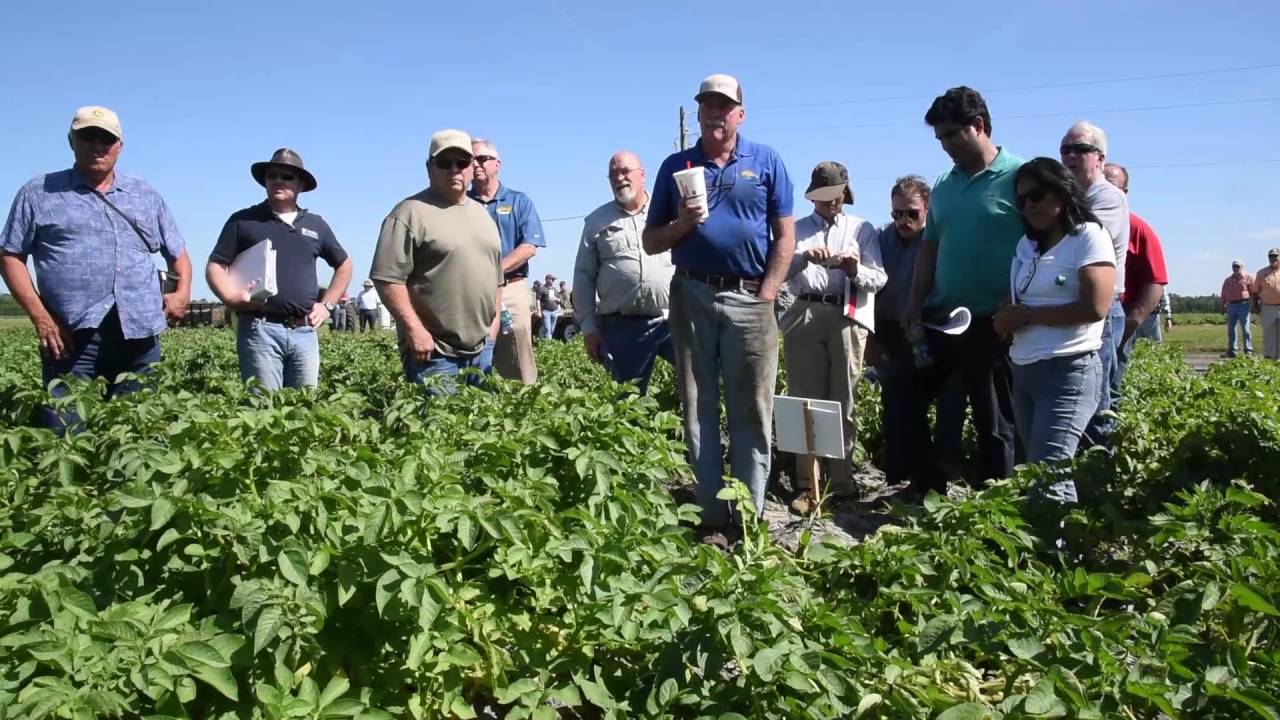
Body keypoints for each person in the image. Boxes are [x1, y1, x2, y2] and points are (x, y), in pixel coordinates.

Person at [644, 73, 796, 546]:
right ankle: (712, 516)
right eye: (708, 105)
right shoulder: (677, 165)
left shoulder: (766, 161)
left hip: (751, 298)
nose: (715, 113)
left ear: (740, 115)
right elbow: (651, 241)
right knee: (698, 405)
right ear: (698, 113)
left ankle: (748, 519)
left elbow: (785, 234)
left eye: (724, 106)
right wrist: (682, 223)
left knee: (752, 408)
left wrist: (768, 292)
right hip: (692, 294)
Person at [0, 106, 192, 434]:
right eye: (88, 137)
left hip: (139, 334)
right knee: (66, 433)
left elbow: (179, 254)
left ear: (120, 146)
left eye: (106, 139)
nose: (97, 146)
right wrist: (41, 317)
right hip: (71, 336)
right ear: (71, 141)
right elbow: (10, 256)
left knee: (135, 433)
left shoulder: (144, 194)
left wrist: (182, 293)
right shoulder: (39, 192)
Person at [905, 86, 1025, 484]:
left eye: (951, 135)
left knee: (995, 419)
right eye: (939, 138)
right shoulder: (945, 184)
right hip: (945, 319)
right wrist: (914, 302)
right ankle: (927, 487)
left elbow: (1040, 246)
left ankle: (998, 498)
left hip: (995, 322)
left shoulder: (1019, 177)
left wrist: (1016, 302)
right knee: (916, 401)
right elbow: (929, 249)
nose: (945, 145)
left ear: (978, 125)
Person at [994, 158, 1113, 503]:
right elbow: (1017, 297)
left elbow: (1094, 307)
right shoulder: (1027, 245)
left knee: (1049, 476)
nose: (1029, 205)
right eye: (1022, 200)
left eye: (1037, 195)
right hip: (1024, 369)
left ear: (1062, 192)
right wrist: (1004, 317)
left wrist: (1028, 317)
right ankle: (1056, 532)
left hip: (1067, 369)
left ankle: (1056, 538)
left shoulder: (1088, 236)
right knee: (1038, 471)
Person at [781, 161, 885, 511]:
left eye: (836, 196)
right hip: (805, 312)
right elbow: (779, 272)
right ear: (813, 197)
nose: (831, 202)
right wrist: (804, 258)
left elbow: (878, 278)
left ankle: (841, 483)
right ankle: (807, 485)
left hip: (846, 314)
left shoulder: (862, 229)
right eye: (824, 196)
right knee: (804, 402)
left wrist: (855, 269)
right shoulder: (796, 230)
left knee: (844, 400)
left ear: (845, 193)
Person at [208, 148, 352, 391]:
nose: (278, 180)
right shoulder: (243, 220)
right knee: (263, 405)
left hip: (304, 331)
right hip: (260, 329)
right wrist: (231, 298)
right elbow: (215, 266)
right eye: (272, 175)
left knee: (304, 405)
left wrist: (327, 305)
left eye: (287, 177)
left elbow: (344, 265)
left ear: (300, 184)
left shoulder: (316, 225)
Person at [371, 129, 502, 392]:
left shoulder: (482, 214)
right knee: (439, 420)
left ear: (471, 167)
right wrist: (415, 330)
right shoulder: (409, 213)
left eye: (462, 162)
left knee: (482, 418)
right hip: (435, 353)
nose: (454, 169)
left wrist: (494, 325)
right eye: (444, 162)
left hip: (482, 350)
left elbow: (496, 279)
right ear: (430, 168)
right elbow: (387, 279)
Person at [573, 150, 674, 395]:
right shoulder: (596, 222)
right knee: (629, 400)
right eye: (613, 174)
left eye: (625, 171)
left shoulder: (669, 212)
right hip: (623, 328)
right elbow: (583, 276)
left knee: (696, 385)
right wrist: (589, 329)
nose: (619, 178)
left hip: (673, 321)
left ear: (642, 174)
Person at [875, 175, 950, 496]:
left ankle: (930, 478)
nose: (903, 220)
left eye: (911, 213)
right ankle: (908, 477)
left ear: (927, 210)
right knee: (896, 403)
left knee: (915, 403)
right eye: (897, 213)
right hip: (890, 331)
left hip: (930, 331)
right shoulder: (882, 239)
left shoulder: (938, 241)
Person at [1061, 122, 1129, 447]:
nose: (1071, 156)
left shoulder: (1108, 197)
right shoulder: (1069, 198)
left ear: (1100, 158)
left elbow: (1077, 240)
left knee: (1096, 399)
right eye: (1065, 150)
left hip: (1099, 311)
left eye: (1081, 149)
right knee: (1074, 395)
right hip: (1070, 305)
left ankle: (1098, 468)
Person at [469, 138, 544, 383]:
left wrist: (493, 272)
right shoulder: (460, 204)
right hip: (470, 291)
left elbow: (529, 247)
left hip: (510, 287)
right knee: (472, 356)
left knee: (517, 357)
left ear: (497, 164)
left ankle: (524, 400)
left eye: (482, 159)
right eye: (471, 160)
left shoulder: (518, 201)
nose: (476, 164)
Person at [1101, 164, 1168, 353]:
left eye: (1111, 186)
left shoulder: (1139, 230)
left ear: (1124, 192)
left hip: (1119, 315)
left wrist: (1133, 319)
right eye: (1100, 184)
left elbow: (1156, 280)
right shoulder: (1077, 225)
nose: (1104, 191)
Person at [1220, 260, 1255, 357]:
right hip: (1231, 305)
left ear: (1242, 267)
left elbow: (1253, 293)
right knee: (1231, 329)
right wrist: (1222, 306)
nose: (1235, 268)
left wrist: (1253, 305)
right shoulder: (1228, 280)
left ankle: (1248, 351)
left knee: (1246, 329)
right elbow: (1223, 294)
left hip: (1244, 304)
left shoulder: (1248, 278)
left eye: (1238, 266)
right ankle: (1232, 351)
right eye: (1234, 266)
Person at [1254, 249, 1280, 359]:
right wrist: (1255, 305)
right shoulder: (1261, 273)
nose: (1273, 258)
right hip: (1267, 306)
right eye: (1271, 256)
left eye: (1275, 256)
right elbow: (1255, 291)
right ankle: (1269, 358)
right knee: (1269, 333)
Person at [536, 272, 561, 339]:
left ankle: (546, 340)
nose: (553, 281)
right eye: (552, 279)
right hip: (546, 311)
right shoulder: (542, 289)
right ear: (548, 280)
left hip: (554, 311)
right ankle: (548, 343)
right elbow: (538, 300)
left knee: (552, 329)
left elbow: (559, 300)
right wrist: (539, 311)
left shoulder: (555, 289)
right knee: (547, 329)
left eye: (553, 280)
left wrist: (556, 299)